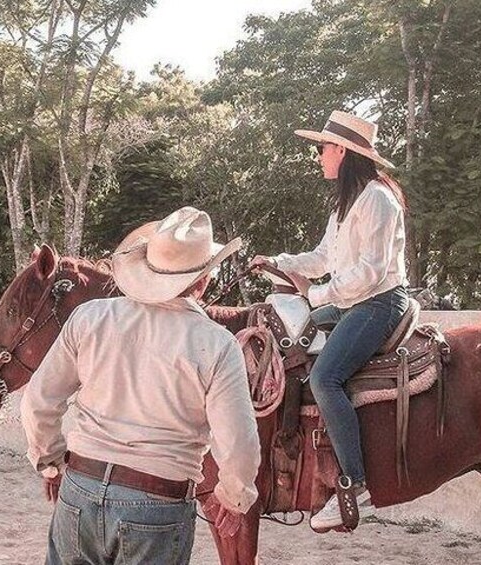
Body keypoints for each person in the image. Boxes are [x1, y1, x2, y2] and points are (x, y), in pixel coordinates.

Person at [21, 206, 261, 565]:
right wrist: (233, 496)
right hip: (157, 505)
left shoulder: (90, 319)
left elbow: (38, 401)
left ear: (146, 267)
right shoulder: (216, 344)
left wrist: (51, 461)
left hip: (80, 490)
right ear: (204, 280)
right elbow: (239, 443)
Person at [250, 110, 409, 530]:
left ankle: (356, 486)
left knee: (324, 378)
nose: (318, 156)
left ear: (342, 150)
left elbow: (371, 272)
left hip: (378, 303)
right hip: (351, 301)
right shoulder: (346, 202)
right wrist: (278, 263)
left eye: (322, 148)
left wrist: (314, 293)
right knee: (294, 339)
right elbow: (322, 258)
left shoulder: (378, 198)